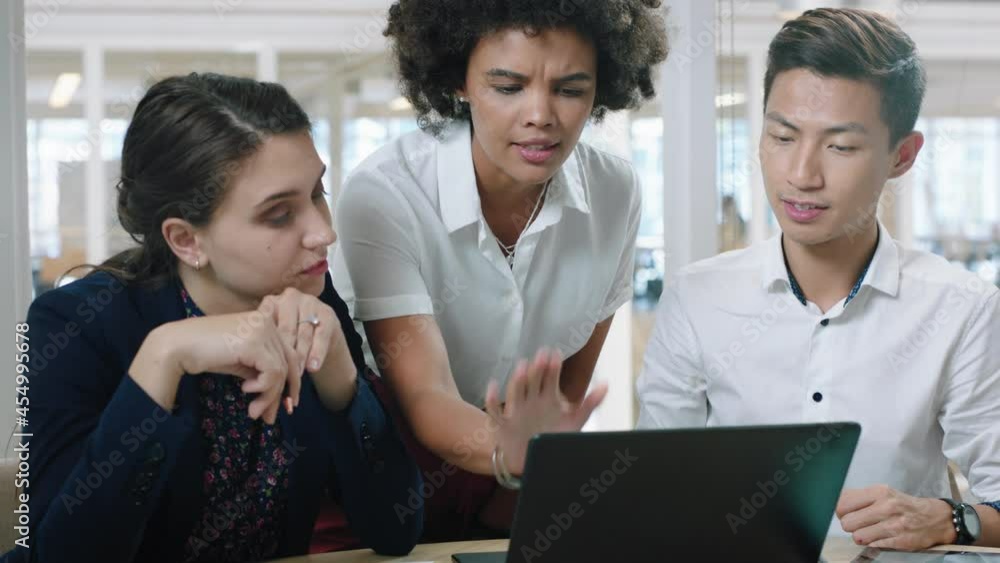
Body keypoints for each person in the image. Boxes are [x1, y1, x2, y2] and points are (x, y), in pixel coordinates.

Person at [2, 73, 422, 563]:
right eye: (280, 214)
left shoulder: (311, 299)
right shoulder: (73, 323)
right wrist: (164, 356)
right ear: (186, 240)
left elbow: (396, 530)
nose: (322, 232)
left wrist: (341, 378)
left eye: (317, 193)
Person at [636, 7, 1000, 551]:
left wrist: (949, 519)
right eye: (782, 137)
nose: (802, 175)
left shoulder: (962, 307)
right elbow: (649, 489)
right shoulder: (698, 296)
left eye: (840, 146)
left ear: (902, 155)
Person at [328, 0, 669, 541]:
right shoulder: (389, 193)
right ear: (458, 80)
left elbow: (562, 397)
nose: (541, 115)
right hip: (388, 471)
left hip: (520, 475)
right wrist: (513, 454)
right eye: (508, 87)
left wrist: (522, 482)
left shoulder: (615, 192)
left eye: (571, 89)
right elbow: (426, 396)